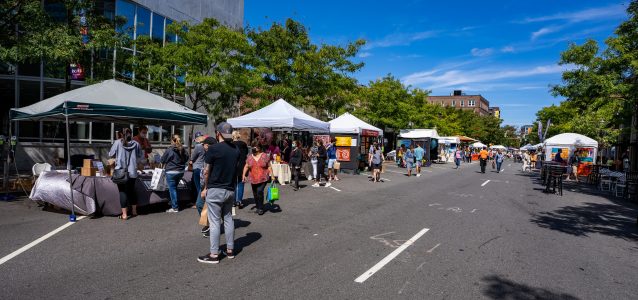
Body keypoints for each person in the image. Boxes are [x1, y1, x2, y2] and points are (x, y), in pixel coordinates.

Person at [198, 122, 240, 264]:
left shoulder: (214, 149)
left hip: (215, 189)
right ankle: (230, 250)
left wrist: (205, 188)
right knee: (228, 219)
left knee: (215, 222)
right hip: (230, 189)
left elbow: (207, 171)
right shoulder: (236, 150)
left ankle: (214, 254)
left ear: (218, 133)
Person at [109, 128, 143, 220]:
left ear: (121, 134)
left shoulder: (117, 142)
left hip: (120, 172)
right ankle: (134, 211)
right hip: (132, 172)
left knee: (122, 192)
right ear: (131, 134)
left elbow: (111, 154)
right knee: (132, 191)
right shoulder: (136, 144)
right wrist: (134, 162)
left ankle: (124, 214)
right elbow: (141, 157)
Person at [243, 141, 274, 215]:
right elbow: (246, 166)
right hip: (253, 178)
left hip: (263, 178)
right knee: (255, 193)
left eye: (255, 146)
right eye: (253, 146)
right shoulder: (250, 157)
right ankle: (258, 206)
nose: (254, 148)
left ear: (259, 148)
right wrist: (243, 175)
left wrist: (272, 175)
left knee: (259, 191)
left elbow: (269, 166)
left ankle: (260, 208)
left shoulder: (264, 156)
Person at [161, 135, 189, 213]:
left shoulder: (169, 149)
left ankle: (175, 207)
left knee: (172, 189)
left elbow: (162, 160)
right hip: (180, 171)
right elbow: (187, 158)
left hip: (171, 172)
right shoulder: (182, 149)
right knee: (174, 188)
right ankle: (173, 201)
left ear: (172, 141)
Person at [189, 133, 208, 232]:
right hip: (203, 167)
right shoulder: (204, 147)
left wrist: (191, 160)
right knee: (199, 186)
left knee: (198, 186)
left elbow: (192, 157)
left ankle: (199, 202)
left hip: (197, 168)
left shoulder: (197, 146)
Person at [232, 131, 248, 209]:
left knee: (234, 184)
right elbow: (246, 154)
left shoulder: (230, 144)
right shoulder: (244, 144)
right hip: (242, 166)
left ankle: (233, 201)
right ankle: (239, 201)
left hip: (233, 166)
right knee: (241, 183)